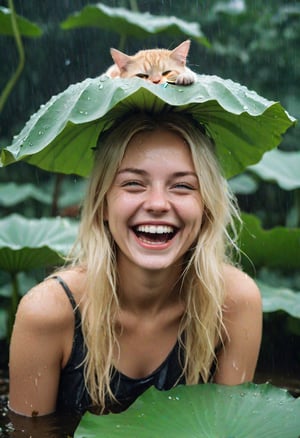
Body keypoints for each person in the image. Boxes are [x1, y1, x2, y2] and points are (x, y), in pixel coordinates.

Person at [8, 111, 262, 417]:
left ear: (206, 207)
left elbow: (230, 432)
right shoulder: (48, 314)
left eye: (182, 186)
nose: (157, 203)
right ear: (102, 205)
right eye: (133, 184)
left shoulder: (235, 303)